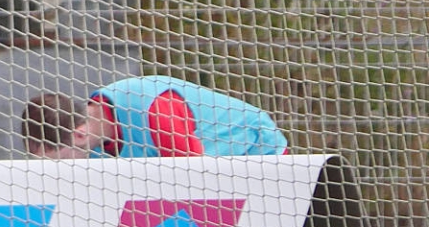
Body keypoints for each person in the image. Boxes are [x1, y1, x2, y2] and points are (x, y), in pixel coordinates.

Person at [21, 76, 290, 159]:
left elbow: (200, 180)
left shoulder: (155, 112)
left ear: (79, 135)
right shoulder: (94, 148)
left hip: (260, 156)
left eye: (59, 160)